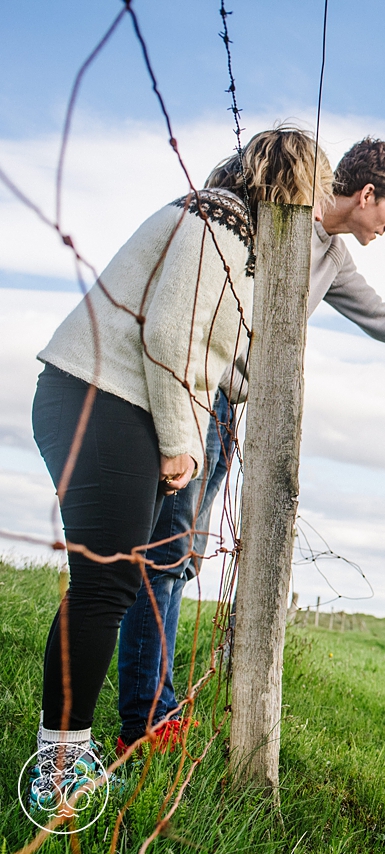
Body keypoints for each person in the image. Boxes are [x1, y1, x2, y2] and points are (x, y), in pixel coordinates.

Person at [114, 136, 385, 756]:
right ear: (366, 195)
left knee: (184, 556)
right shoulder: (279, 218)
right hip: (195, 390)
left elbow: (384, 317)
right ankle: (147, 720)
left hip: (225, 409)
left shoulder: (331, 254)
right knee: (166, 555)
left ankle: (155, 711)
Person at [28, 128, 328, 804]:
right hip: (102, 400)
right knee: (106, 585)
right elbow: (173, 333)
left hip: (110, 401)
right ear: (293, 182)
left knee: (108, 583)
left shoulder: (233, 235)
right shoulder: (215, 221)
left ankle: (62, 749)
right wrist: (179, 439)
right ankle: (57, 770)